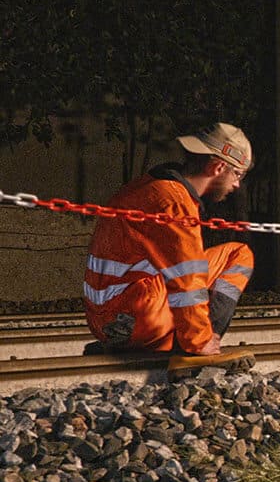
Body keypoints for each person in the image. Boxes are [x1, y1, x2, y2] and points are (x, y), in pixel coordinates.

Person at [83, 122, 255, 360]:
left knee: (237, 254)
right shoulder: (173, 202)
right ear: (218, 167)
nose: (237, 184)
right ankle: (199, 345)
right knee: (212, 268)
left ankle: (162, 342)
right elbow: (188, 281)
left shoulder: (149, 186)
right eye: (237, 174)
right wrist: (198, 342)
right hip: (133, 317)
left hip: (110, 317)